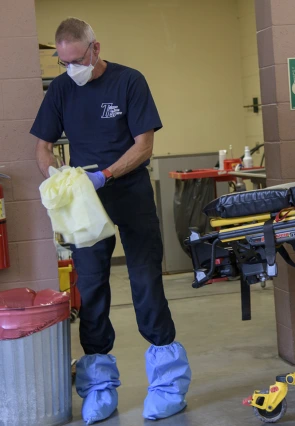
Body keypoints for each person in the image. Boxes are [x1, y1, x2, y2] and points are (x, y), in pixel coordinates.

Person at [30, 18, 191, 424]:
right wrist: (54, 177)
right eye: (63, 63)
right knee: (92, 288)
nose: (71, 70)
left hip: (129, 191)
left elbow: (144, 145)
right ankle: (99, 385)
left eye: (77, 60)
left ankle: (168, 385)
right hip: (85, 200)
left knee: (146, 283)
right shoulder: (64, 89)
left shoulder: (129, 82)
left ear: (95, 49)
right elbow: (43, 147)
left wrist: (106, 174)